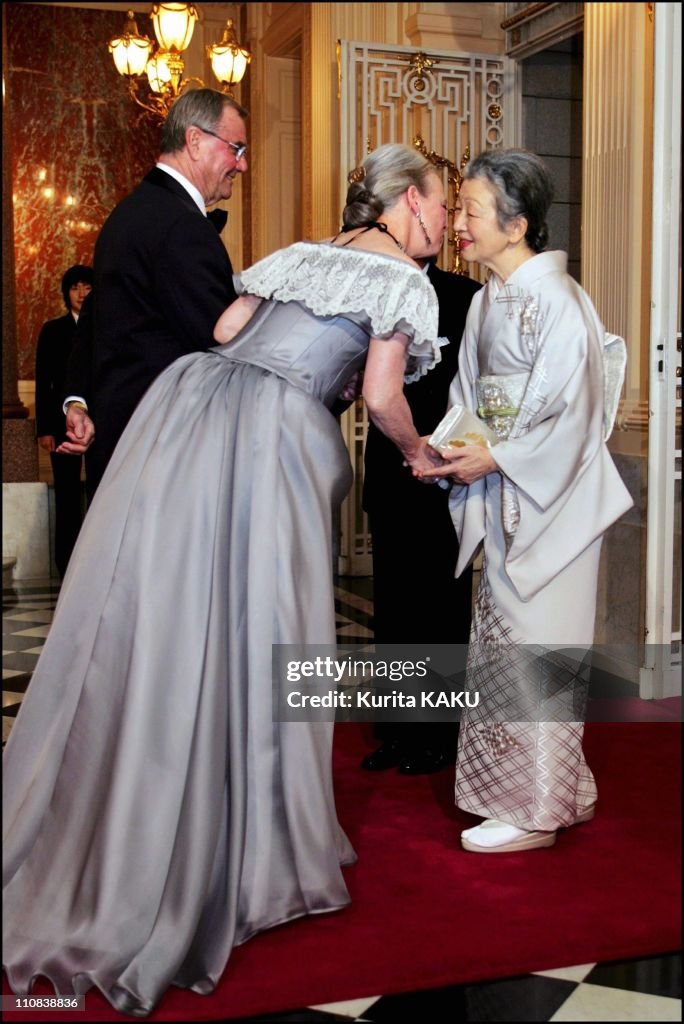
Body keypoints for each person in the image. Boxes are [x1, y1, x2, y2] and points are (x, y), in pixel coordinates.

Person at [3, 142, 449, 1016]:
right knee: (266, 626)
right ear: (405, 203)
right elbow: (389, 396)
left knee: (171, 612)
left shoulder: (300, 252)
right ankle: (252, 841)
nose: (444, 224)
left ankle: (149, 793)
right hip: (270, 441)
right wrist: (413, 448)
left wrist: (303, 355)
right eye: (437, 203)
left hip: (191, 410)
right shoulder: (402, 281)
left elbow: (224, 330)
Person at [418, 148, 633, 852]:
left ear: (516, 227)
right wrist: (452, 450)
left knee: (539, 648)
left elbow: (574, 417)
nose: (459, 225)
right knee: (504, 647)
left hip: (554, 504)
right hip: (508, 491)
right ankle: (556, 786)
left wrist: (497, 455)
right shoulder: (486, 300)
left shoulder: (561, 301)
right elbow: (472, 397)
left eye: (471, 212)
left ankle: (536, 811)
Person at [59, 88, 247, 497]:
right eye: (236, 148)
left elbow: (96, 316)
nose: (243, 164)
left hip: (122, 440)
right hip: (163, 450)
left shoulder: (129, 212)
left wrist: (78, 399)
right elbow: (226, 342)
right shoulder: (180, 225)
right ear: (195, 141)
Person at [361, 255, 480, 775]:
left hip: (446, 470)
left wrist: (456, 452)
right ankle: (396, 732)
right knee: (393, 609)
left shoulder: (465, 296)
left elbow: (480, 387)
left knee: (441, 609)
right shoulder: (372, 291)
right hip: (389, 472)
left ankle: (440, 736)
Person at [34, 265, 93, 577]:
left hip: (100, 426)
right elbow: (44, 383)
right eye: (75, 288)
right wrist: (44, 429)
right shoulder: (53, 330)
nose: (82, 294)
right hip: (61, 427)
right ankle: (67, 565)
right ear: (66, 293)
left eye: (87, 287)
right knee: (67, 497)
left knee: (101, 493)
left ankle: (96, 565)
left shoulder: (104, 329)